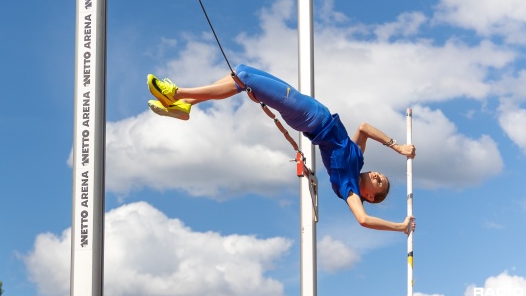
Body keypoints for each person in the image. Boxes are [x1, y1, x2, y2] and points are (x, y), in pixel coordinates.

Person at [146, 64, 416, 234]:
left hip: (309, 117)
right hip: (312, 107)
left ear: (369, 195)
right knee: (239, 71)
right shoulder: (356, 159)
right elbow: (366, 127)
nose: (377, 176)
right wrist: (397, 147)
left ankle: (177, 94)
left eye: (379, 183)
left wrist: (400, 226)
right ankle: (186, 106)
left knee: (245, 77)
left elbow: (364, 221)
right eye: (381, 175)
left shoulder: (349, 188)